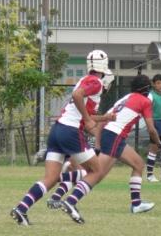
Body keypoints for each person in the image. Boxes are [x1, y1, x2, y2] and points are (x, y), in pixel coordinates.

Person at [10, 49, 115, 226]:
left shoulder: (85, 81)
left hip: (58, 130)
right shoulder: (95, 82)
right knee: (97, 171)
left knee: (50, 178)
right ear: (104, 66)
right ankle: (71, 201)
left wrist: (104, 118)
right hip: (70, 132)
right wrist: (89, 119)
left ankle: (21, 208)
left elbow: (84, 111)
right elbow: (78, 99)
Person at [98, 74, 161, 213]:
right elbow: (151, 129)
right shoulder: (144, 101)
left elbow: (105, 118)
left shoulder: (126, 97)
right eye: (149, 86)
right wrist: (159, 143)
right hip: (114, 134)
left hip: (110, 133)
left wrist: (98, 143)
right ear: (146, 88)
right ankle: (66, 182)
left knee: (138, 164)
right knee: (97, 172)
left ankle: (136, 204)